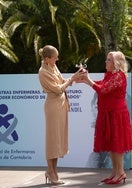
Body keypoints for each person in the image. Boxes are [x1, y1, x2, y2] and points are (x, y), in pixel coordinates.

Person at [80, 51, 132, 184]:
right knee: (111, 144)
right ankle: (115, 172)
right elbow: (100, 84)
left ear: (116, 63)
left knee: (117, 144)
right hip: (108, 113)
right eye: (107, 59)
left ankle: (120, 172)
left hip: (116, 114)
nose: (106, 62)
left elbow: (103, 89)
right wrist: (86, 79)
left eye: (109, 60)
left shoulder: (119, 76)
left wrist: (87, 80)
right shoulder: (110, 75)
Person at [38, 45, 81, 185]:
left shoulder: (53, 67)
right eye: (55, 58)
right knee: (52, 140)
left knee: (57, 140)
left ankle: (53, 171)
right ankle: (51, 171)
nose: (57, 59)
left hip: (61, 105)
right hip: (53, 106)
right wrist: (72, 79)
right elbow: (58, 89)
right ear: (47, 58)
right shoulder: (43, 72)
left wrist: (76, 76)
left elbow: (62, 81)